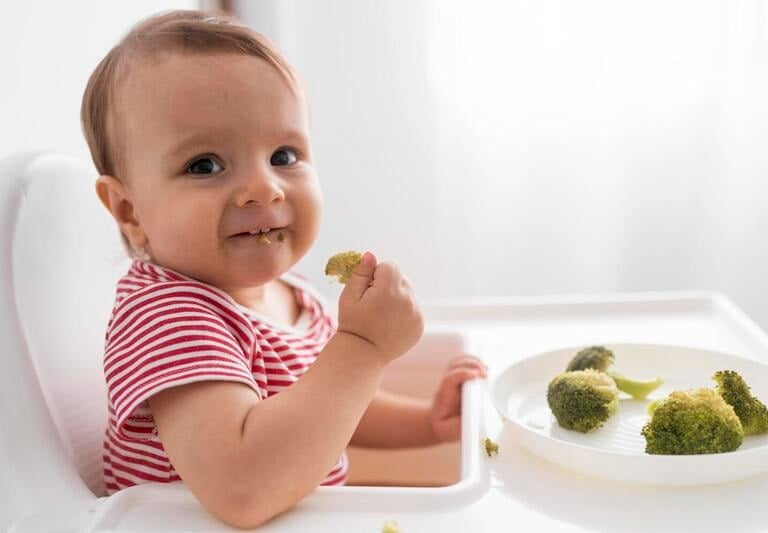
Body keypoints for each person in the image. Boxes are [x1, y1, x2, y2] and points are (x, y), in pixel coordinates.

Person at [82, 9, 486, 528]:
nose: (265, 188)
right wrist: (362, 349)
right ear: (129, 211)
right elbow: (243, 486)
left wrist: (425, 421)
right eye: (205, 164)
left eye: (283, 155)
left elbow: (327, 406)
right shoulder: (167, 316)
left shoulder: (288, 293)